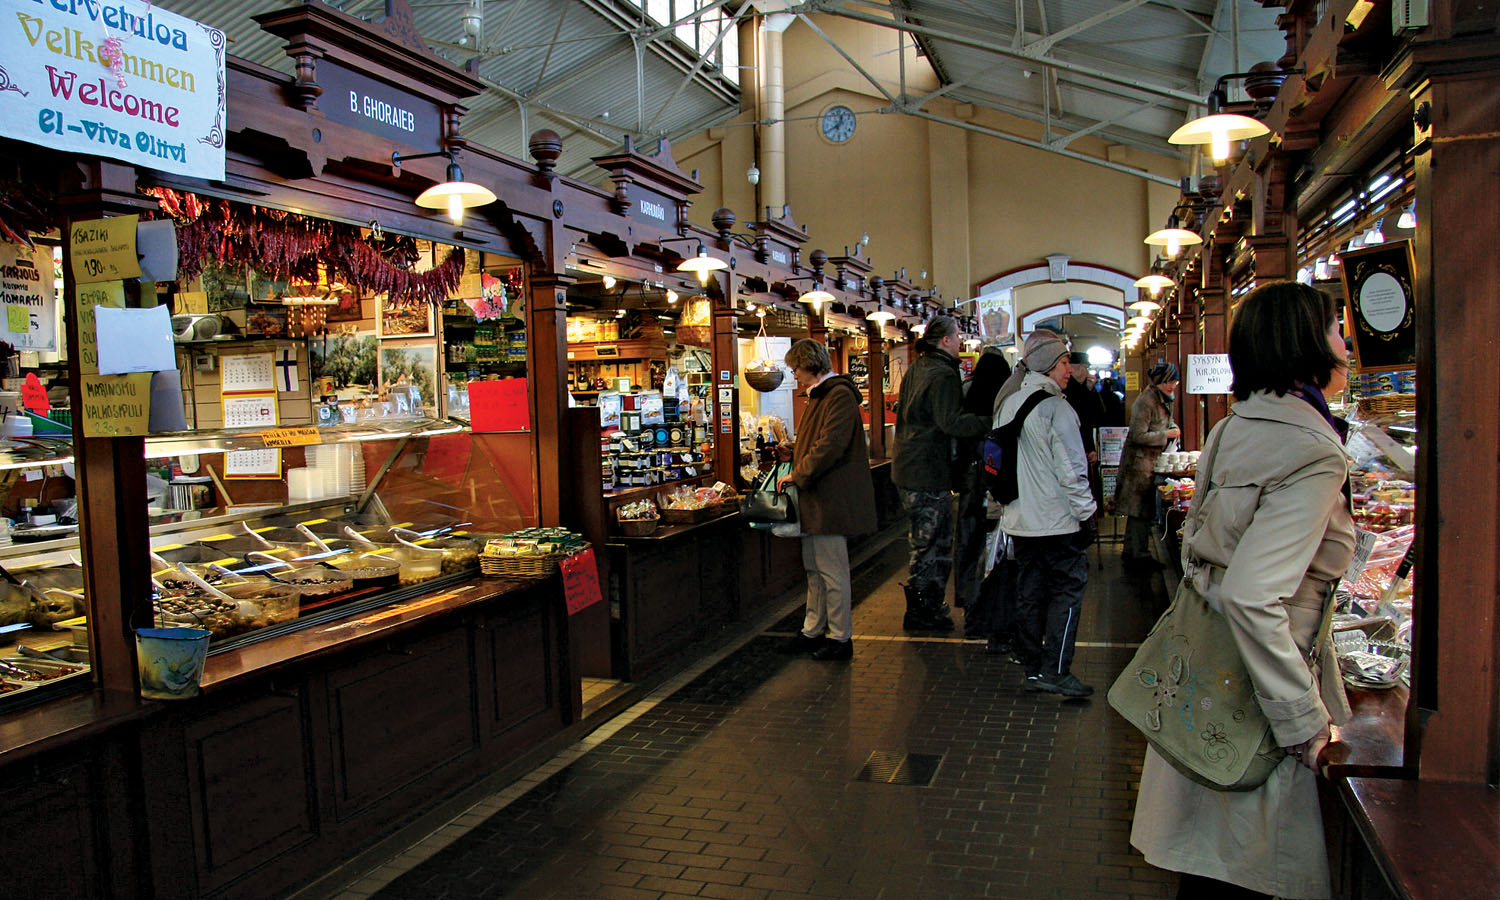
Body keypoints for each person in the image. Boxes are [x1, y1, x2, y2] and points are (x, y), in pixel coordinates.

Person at [1130, 281, 1355, 900]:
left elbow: (1199, 548)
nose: (1345, 343)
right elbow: (1255, 597)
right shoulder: (1314, 450)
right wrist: (1303, 722)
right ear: (1305, 344)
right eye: (1335, 329)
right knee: (1251, 864)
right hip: (1263, 687)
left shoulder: (1235, 427)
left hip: (1212, 672)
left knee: (1211, 865)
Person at [995, 331, 1097, 697]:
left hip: (1020, 520)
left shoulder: (1009, 403)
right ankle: (1057, 669)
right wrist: (1087, 514)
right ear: (1049, 366)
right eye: (1064, 362)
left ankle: (1033, 667)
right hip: (1057, 523)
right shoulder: (1057, 409)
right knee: (1067, 592)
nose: (1069, 369)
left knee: (1030, 592)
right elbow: (1072, 471)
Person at [774, 339, 877, 661]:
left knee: (832, 571)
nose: (795, 375)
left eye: (796, 368)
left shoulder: (838, 395)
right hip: (818, 497)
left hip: (831, 498)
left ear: (810, 365)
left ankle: (839, 637)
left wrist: (799, 472)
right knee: (815, 570)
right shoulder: (821, 395)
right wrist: (794, 453)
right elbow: (819, 443)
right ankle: (813, 629)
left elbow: (830, 445)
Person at [891, 316, 991, 630]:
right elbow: (951, 422)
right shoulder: (943, 373)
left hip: (907, 465)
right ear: (945, 340)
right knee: (933, 543)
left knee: (922, 542)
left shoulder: (918, 367)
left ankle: (924, 606)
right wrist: (992, 422)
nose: (961, 341)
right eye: (957, 336)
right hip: (927, 469)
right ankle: (923, 610)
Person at [952, 347, 1012, 639]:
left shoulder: (967, 390)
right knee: (996, 546)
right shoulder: (1007, 396)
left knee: (969, 543)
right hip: (996, 481)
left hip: (970, 480)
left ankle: (970, 606)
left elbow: (955, 437)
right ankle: (994, 610)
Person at [1112, 361, 1181, 565]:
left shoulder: (1163, 398)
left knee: (1140, 510)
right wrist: (1166, 434)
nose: (1172, 386)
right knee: (1139, 510)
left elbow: (1165, 422)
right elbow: (1137, 435)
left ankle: (1132, 552)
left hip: (1150, 463)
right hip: (1139, 465)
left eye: (1175, 382)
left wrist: (1173, 428)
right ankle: (1138, 555)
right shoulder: (1146, 401)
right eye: (1169, 382)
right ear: (1160, 381)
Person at [1063, 351, 1107, 507]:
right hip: (1076, 449)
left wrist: (1091, 390)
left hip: (1080, 448)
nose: (1088, 373)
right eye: (1086, 368)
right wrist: (1090, 448)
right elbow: (1086, 421)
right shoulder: (1070, 390)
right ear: (1078, 368)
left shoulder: (1082, 388)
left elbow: (1097, 415)